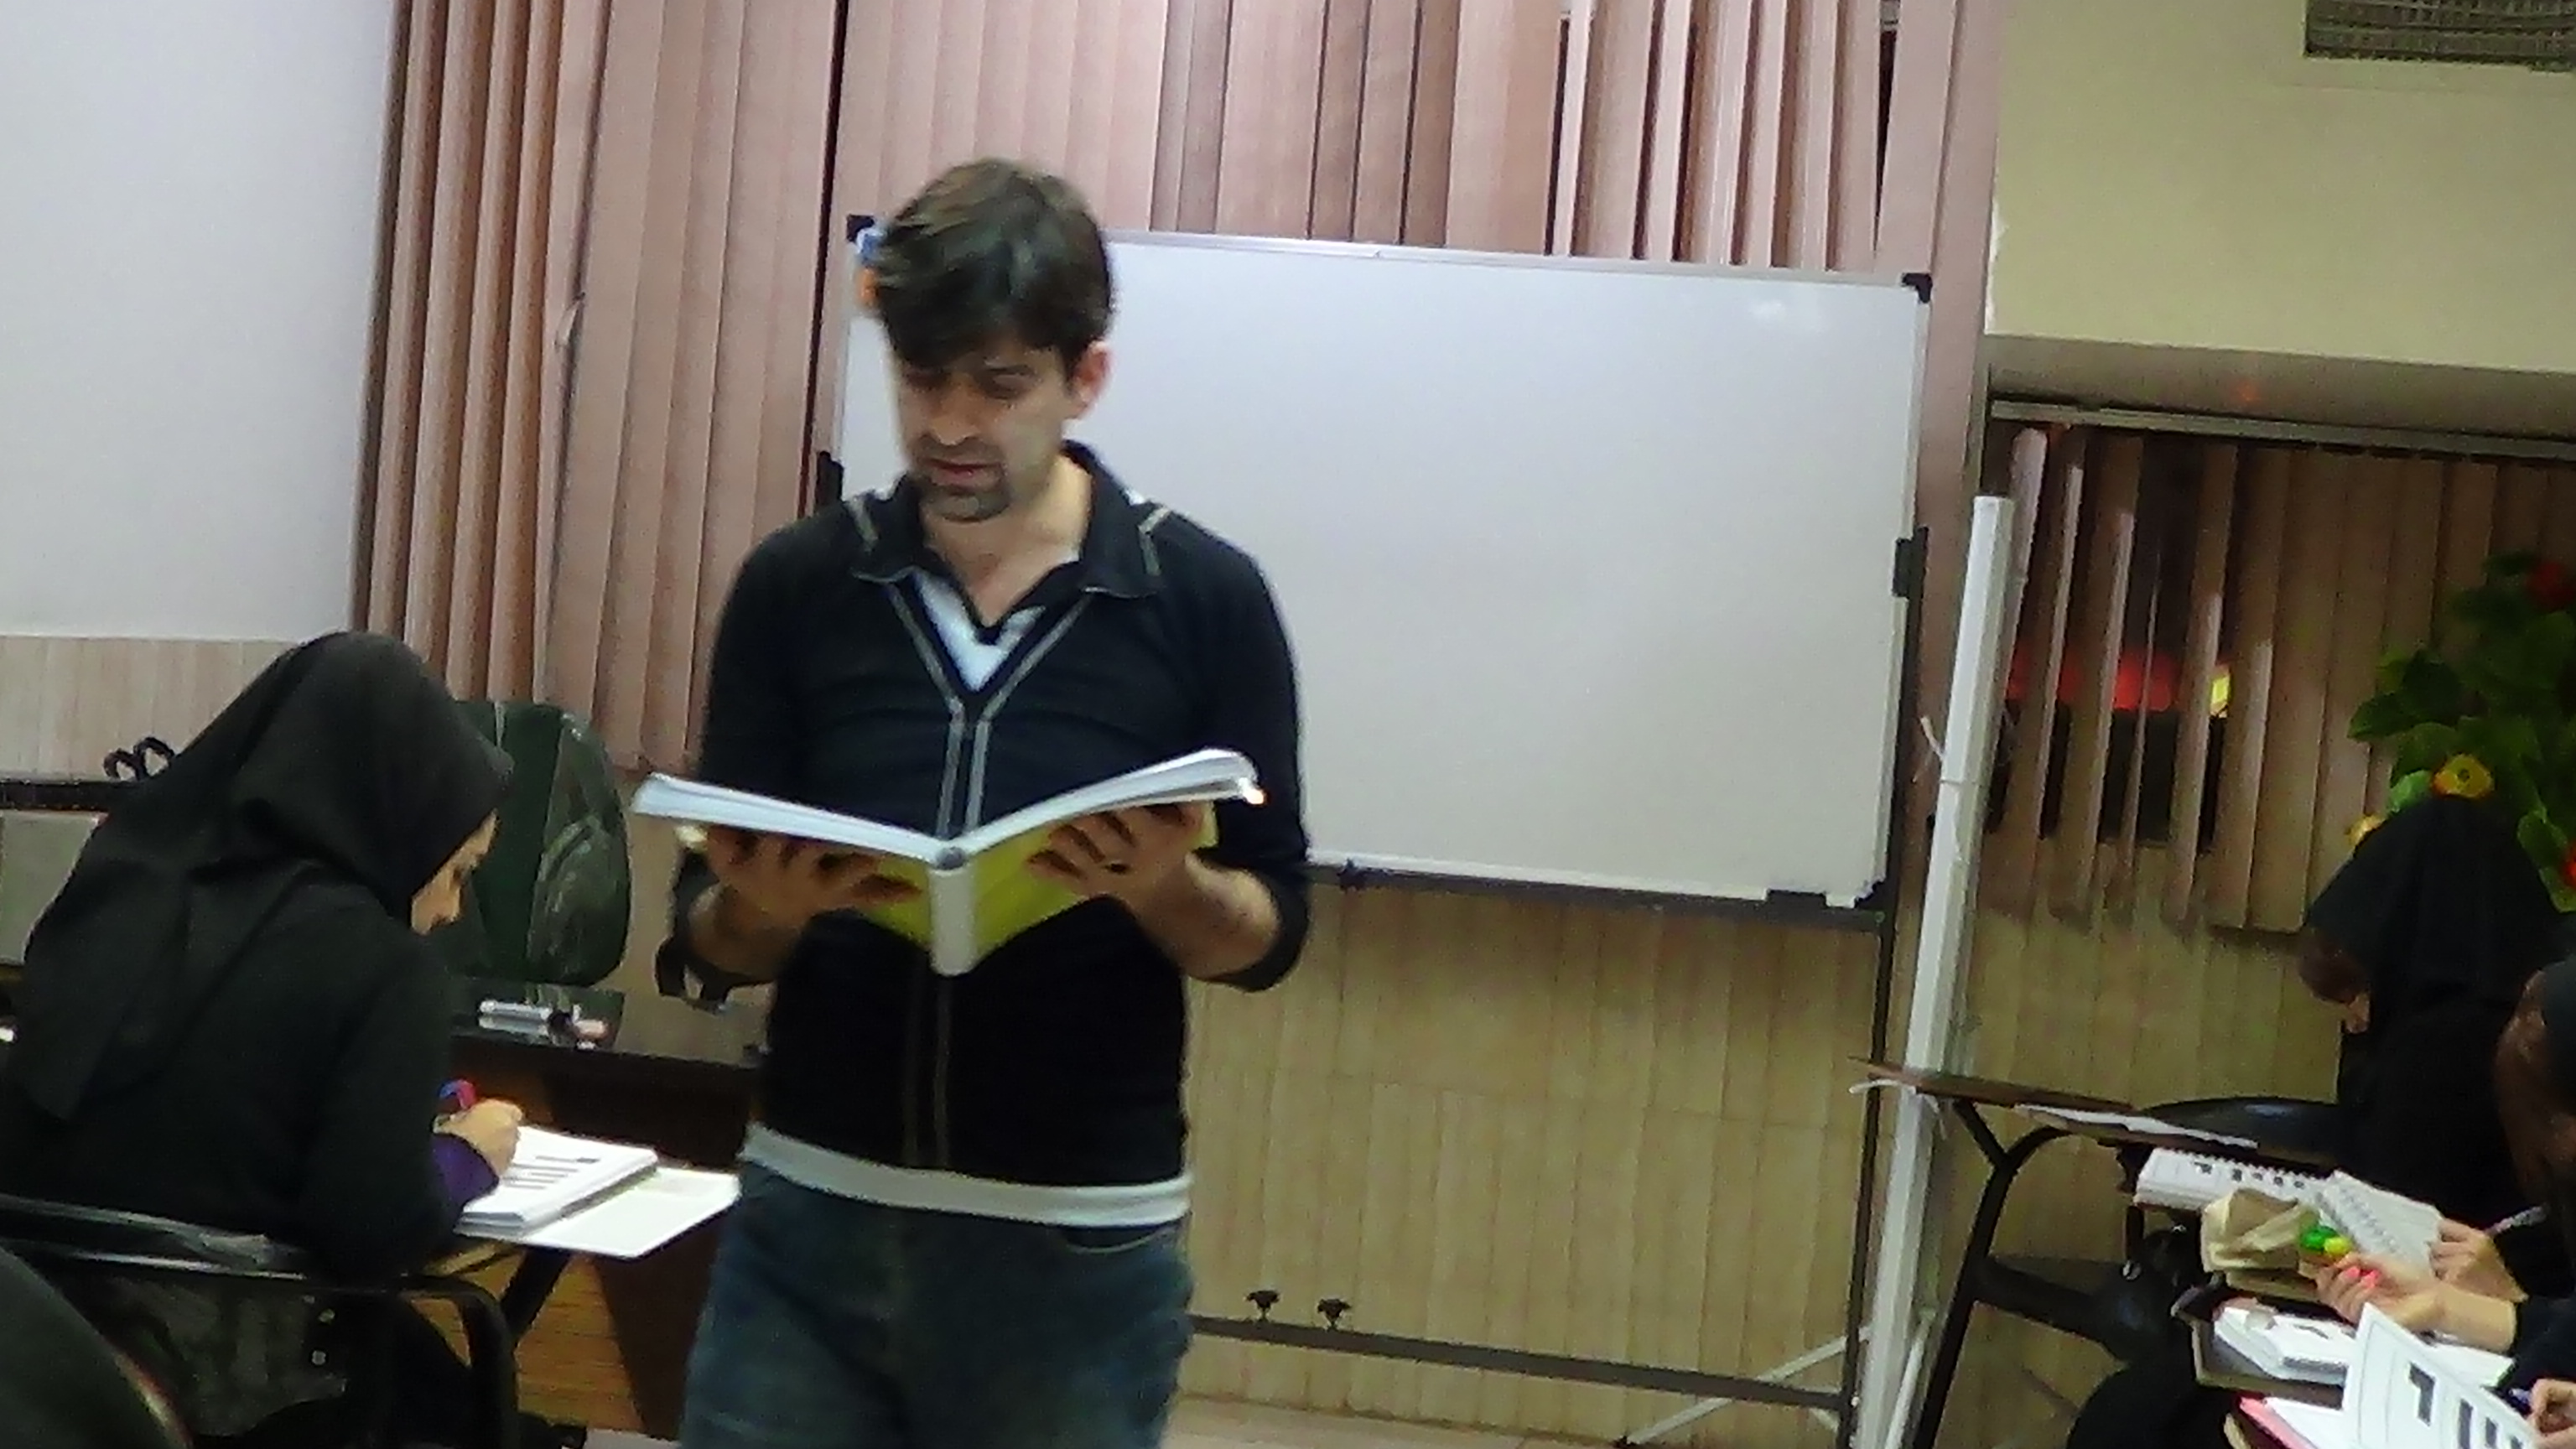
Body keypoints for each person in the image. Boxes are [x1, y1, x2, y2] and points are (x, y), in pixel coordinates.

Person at [663, 158, 1311, 1449]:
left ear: (1085, 379)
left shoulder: (1202, 600)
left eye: (999, 385)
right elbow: (705, 940)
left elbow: (1271, 935)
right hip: (808, 1223)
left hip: (1074, 1251)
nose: (951, 424)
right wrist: (763, 910)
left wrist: (1166, 889)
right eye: (921, 379)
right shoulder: (800, 586)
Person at [0, 632, 536, 1449]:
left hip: (36, 1364)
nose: (452, 911)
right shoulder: (384, 968)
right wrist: (465, 1158)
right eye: (458, 872)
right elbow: (369, 1231)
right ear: (400, 821)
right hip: (238, 1384)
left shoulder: (110, 895)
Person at [2063, 795, 2568, 1449]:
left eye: (2363, 992)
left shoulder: (2455, 1050)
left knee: (2145, 1413)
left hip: (2458, 1352)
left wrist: (2497, 1302)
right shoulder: (2535, 1029)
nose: (2356, 1020)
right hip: (2455, 1326)